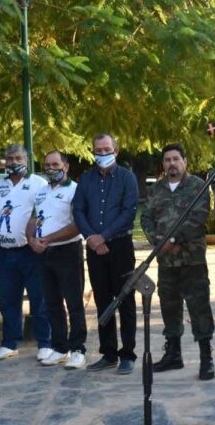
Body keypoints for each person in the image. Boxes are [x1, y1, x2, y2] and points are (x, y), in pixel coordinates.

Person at [141, 143, 215, 380]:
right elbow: (145, 217)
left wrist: (173, 239)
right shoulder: (156, 190)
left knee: (199, 308)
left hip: (191, 260)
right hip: (166, 262)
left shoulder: (198, 186)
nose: (171, 164)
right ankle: (174, 354)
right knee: (169, 307)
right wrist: (157, 240)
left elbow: (200, 218)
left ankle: (206, 359)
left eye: (175, 159)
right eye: (167, 160)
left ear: (184, 161)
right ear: (163, 164)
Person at [72, 133, 138, 374]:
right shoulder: (86, 179)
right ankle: (108, 353)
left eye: (106, 149)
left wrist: (105, 236)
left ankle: (128, 354)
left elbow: (128, 212)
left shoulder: (127, 177)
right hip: (94, 247)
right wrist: (92, 238)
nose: (102, 154)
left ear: (116, 151)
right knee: (102, 301)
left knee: (125, 299)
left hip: (120, 245)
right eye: (98, 150)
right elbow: (78, 210)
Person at [0, 144, 52, 362]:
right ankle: (9, 343)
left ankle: (45, 343)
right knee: (8, 300)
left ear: (27, 159)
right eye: (9, 158)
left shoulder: (39, 183)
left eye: (17, 158)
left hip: (31, 252)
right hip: (5, 253)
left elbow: (45, 214)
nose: (13, 162)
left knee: (39, 299)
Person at [27, 151, 87, 369]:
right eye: (47, 165)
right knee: (51, 303)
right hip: (44, 254)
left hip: (67, 251)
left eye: (55, 164)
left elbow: (77, 224)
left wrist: (49, 238)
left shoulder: (75, 190)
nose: (51, 168)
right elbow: (33, 219)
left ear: (66, 166)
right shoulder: (41, 192)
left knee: (74, 303)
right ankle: (60, 347)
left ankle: (78, 349)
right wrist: (31, 240)